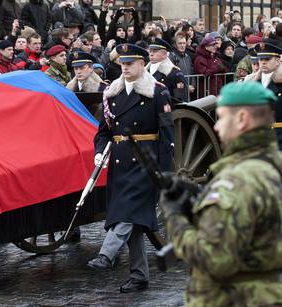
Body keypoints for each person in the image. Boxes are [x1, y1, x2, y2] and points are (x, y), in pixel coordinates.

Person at [160, 81, 282, 307]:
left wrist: (176, 217)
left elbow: (215, 259)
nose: (216, 127)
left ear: (242, 118)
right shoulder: (271, 165)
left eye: (222, 117)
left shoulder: (237, 180)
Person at [88, 43, 173, 293]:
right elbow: (103, 132)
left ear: (142, 64)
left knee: (127, 212)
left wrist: (163, 173)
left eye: (131, 63)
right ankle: (139, 275)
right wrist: (98, 154)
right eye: (122, 63)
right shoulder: (112, 94)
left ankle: (106, 254)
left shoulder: (158, 93)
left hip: (146, 162)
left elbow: (168, 135)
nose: (125, 67)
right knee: (133, 219)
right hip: (119, 163)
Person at [243, 42, 282, 149]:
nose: (263, 62)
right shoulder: (253, 83)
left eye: (267, 59)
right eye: (261, 59)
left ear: (278, 61)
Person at [146, 37, 186, 103]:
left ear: (164, 54)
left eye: (155, 51)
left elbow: (180, 97)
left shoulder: (173, 72)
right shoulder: (145, 71)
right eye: (150, 51)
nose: (151, 54)